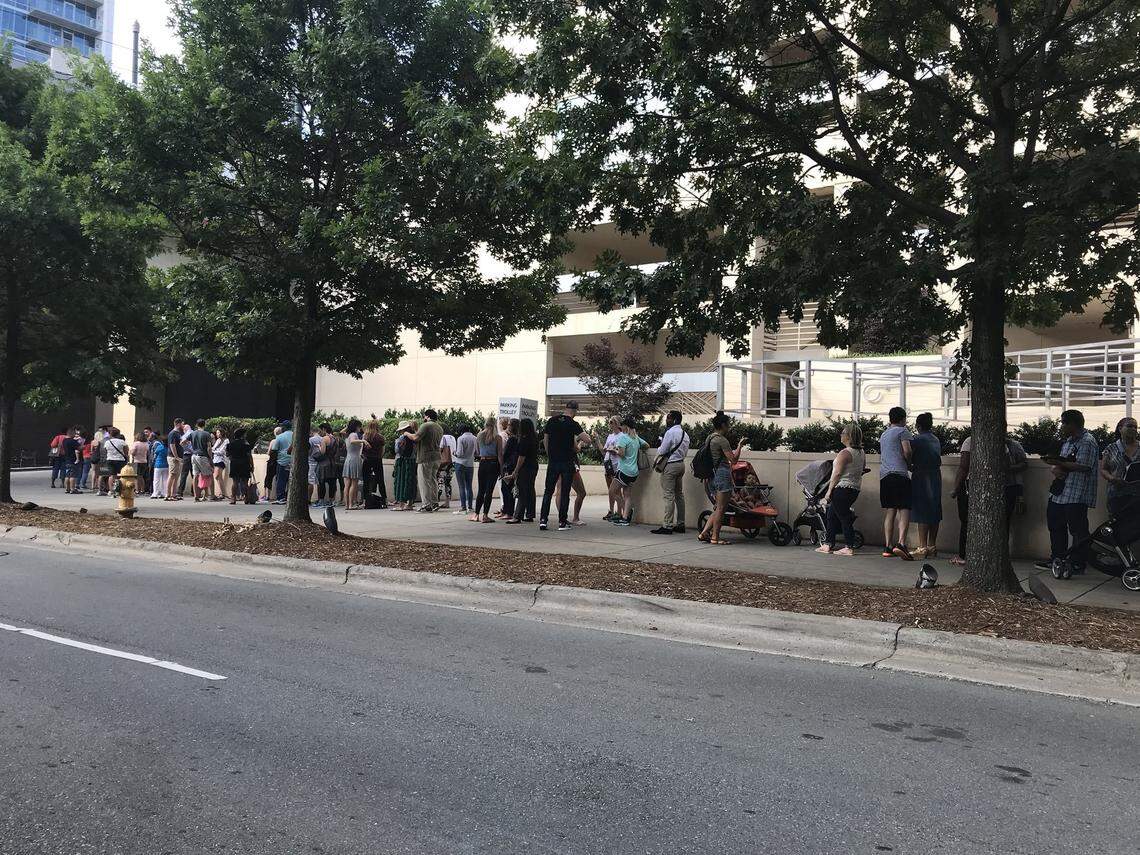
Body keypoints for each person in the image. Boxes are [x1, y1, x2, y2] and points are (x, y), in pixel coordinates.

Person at [950, 430, 1028, 566]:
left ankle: (965, 554)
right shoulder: (1002, 445)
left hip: (974, 485)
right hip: (998, 486)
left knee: (967, 521)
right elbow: (1007, 466)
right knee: (999, 522)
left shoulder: (970, 441)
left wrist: (956, 488)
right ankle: (996, 556)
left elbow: (964, 467)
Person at [1039, 409, 1099, 574]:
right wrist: (1054, 465)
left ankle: (1078, 563)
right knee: (1055, 526)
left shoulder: (1087, 441)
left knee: (1078, 530)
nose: (1062, 426)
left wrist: (1060, 464)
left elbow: (1084, 465)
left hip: (1077, 494)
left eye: (1063, 423)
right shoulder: (1068, 441)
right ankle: (1058, 559)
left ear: (1072, 424)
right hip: (1060, 492)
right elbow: (1062, 461)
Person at [539, 401, 591, 531]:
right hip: (567, 462)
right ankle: (562, 522)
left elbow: (545, 439)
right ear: (575, 411)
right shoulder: (573, 424)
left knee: (548, 491)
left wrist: (550, 454)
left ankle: (543, 521)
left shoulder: (552, 421)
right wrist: (579, 440)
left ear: (565, 408)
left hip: (553, 461)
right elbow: (587, 440)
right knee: (564, 493)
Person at [816, 423, 866, 556]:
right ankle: (828, 544)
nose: (841, 435)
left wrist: (828, 492)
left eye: (843, 433)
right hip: (854, 489)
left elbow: (836, 474)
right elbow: (862, 469)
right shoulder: (861, 453)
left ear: (849, 436)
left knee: (844, 517)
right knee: (831, 516)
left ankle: (849, 547)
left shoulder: (845, 453)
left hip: (842, 489)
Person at [697, 412, 746, 544]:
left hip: (711, 476)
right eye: (728, 424)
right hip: (722, 475)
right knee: (721, 508)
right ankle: (715, 537)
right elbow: (733, 460)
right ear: (723, 425)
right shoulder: (722, 440)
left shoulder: (710, 438)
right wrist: (740, 446)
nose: (729, 427)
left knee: (718, 507)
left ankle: (704, 533)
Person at [879, 406, 914, 560]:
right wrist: (909, 464)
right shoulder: (902, 431)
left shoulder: (884, 434)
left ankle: (888, 546)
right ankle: (901, 543)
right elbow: (907, 451)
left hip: (885, 476)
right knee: (904, 508)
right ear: (902, 419)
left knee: (890, 510)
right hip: (900, 474)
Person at [650, 411, 690, 535]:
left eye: (668, 418)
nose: (666, 420)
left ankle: (667, 525)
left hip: (671, 466)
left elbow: (662, 450)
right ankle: (681, 524)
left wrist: (659, 445)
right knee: (679, 495)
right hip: (681, 465)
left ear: (674, 420)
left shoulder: (670, 432)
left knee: (669, 496)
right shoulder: (685, 434)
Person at [909, 413, 942, 558]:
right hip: (936, 475)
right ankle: (932, 545)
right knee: (934, 510)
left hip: (921, 475)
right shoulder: (936, 439)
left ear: (918, 426)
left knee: (922, 511)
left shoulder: (917, 439)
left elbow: (908, 454)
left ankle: (922, 546)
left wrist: (909, 465)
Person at [607, 417, 649, 526]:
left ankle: (628, 510)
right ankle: (625, 518)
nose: (621, 427)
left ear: (626, 426)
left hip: (624, 470)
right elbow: (646, 445)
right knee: (627, 494)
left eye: (622, 425)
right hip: (634, 472)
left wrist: (613, 450)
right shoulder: (636, 438)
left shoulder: (623, 438)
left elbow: (621, 454)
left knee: (612, 491)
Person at [1100, 416, 1139, 517]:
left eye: (1135, 427)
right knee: (1118, 523)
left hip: (1137, 494)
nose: (1133, 429)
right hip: (1117, 495)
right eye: (1130, 426)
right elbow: (1104, 469)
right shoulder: (1110, 448)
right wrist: (1112, 479)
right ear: (1120, 428)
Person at [505, 418, 539, 524]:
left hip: (525, 467)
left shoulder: (524, 440)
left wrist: (516, 471)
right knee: (530, 490)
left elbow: (521, 457)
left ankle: (517, 516)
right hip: (533, 466)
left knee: (522, 491)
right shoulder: (534, 438)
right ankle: (530, 514)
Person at [472, 416, 504, 523]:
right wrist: (501, 469)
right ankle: (485, 515)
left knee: (481, 490)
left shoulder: (480, 435)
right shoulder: (498, 437)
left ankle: (476, 515)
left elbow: (477, 451)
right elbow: (500, 454)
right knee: (489, 491)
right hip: (493, 463)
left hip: (483, 463)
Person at [411, 409, 444, 513]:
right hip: (437, 457)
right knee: (433, 480)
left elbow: (416, 438)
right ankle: (434, 503)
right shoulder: (439, 427)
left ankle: (426, 504)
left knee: (424, 481)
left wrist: (406, 433)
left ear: (428, 416)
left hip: (425, 457)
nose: (423, 418)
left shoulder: (425, 425)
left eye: (424, 416)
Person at [600, 416, 623, 520]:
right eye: (609, 422)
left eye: (611, 422)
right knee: (610, 489)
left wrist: (612, 449)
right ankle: (611, 510)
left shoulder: (622, 436)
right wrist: (598, 441)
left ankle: (619, 512)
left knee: (616, 490)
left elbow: (619, 450)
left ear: (617, 423)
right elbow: (604, 449)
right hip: (607, 462)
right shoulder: (610, 436)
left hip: (616, 463)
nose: (610, 424)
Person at [392, 420, 418, 510]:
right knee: (410, 482)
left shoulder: (401, 438)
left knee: (401, 482)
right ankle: (409, 504)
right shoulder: (414, 437)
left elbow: (397, 450)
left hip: (402, 462)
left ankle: (401, 505)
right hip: (412, 461)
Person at [362, 419, 387, 508]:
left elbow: (362, 450)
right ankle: (384, 500)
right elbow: (383, 450)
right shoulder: (380, 437)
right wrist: (379, 456)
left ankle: (365, 501)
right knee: (380, 480)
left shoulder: (365, 437)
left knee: (366, 481)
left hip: (367, 460)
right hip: (377, 459)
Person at [187, 419, 214, 502]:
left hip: (194, 456)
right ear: (204, 425)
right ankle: (212, 495)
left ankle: (196, 496)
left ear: (196, 425)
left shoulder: (192, 433)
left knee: (195, 476)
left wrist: (191, 450)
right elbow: (209, 447)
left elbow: (182, 442)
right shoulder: (206, 434)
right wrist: (210, 458)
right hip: (203, 456)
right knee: (209, 475)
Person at [452, 425, 477, 515]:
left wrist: (454, 453)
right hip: (470, 464)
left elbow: (460, 453)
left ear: (461, 431)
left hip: (460, 464)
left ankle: (463, 507)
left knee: (461, 486)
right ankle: (470, 507)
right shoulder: (475, 438)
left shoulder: (460, 438)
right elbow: (477, 452)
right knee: (469, 486)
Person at [343, 418, 366, 510]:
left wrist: (347, 426)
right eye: (360, 426)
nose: (361, 428)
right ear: (357, 427)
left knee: (347, 484)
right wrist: (363, 441)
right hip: (354, 460)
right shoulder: (354, 434)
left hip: (348, 459)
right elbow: (353, 441)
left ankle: (347, 505)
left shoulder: (347, 435)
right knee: (354, 483)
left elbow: (342, 432)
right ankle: (351, 504)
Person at [226, 428, 253, 504]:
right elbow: (249, 456)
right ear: (242, 435)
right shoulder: (246, 444)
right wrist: (252, 465)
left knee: (235, 482)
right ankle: (246, 498)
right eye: (245, 434)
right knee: (245, 482)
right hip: (245, 464)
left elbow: (227, 454)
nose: (246, 435)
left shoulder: (230, 444)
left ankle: (233, 498)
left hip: (234, 463)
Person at [499, 419, 520, 519]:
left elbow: (506, 453)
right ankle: (506, 511)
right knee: (507, 489)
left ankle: (508, 512)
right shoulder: (518, 438)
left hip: (508, 466)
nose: (508, 426)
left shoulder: (512, 439)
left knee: (506, 489)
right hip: (513, 465)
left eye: (509, 425)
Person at [270, 421, 293, 504]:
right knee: (292, 481)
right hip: (294, 462)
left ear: (284, 427)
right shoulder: (295, 435)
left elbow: (273, 450)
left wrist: (273, 460)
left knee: (281, 480)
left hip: (282, 461)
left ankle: (281, 498)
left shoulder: (280, 437)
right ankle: (290, 497)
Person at [102, 428, 130, 494]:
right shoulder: (122, 442)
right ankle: (120, 489)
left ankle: (111, 490)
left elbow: (105, 451)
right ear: (118, 434)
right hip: (120, 460)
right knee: (121, 475)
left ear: (110, 434)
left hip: (110, 459)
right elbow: (126, 452)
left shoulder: (107, 442)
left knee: (111, 475)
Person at [165, 418, 185, 502]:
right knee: (172, 475)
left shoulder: (178, 433)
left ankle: (173, 494)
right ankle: (168, 494)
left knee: (176, 476)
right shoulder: (173, 433)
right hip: (173, 458)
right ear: (178, 424)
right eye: (182, 424)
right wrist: (176, 456)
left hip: (178, 458)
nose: (183, 426)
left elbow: (178, 444)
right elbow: (172, 445)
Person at [60, 427, 84, 495]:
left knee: (67, 475)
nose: (75, 434)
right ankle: (72, 489)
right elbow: (80, 448)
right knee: (73, 475)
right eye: (74, 433)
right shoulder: (72, 441)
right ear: (71, 433)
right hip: (73, 460)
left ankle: (67, 489)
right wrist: (82, 443)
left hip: (67, 459)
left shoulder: (64, 440)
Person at [307, 426, 326, 505]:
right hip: (320, 462)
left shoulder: (310, 440)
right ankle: (319, 499)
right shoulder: (322, 439)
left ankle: (309, 499)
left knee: (310, 482)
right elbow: (323, 452)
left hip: (311, 461)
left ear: (312, 432)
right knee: (319, 482)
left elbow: (308, 451)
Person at [263, 425, 282, 503]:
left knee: (269, 478)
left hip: (272, 462)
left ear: (275, 433)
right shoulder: (283, 440)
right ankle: (279, 495)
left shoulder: (273, 441)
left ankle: (267, 495)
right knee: (280, 479)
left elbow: (269, 452)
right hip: (280, 461)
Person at [438, 431, 456, 509]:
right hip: (453, 462)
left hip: (444, 463)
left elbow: (440, 449)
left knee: (440, 481)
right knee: (448, 482)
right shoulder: (453, 438)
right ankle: (447, 502)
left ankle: (436, 501)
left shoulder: (443, 437)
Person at [211, 428, 229, 501]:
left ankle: (223, 494)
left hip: (221, 460)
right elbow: (213, 448)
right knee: (216, 476)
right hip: (215, 459)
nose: (217, 434)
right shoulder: (218, 440)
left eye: (218, 432)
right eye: (216, 433)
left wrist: (214, 451)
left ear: (222, 433)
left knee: (218, 476)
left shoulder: (226, 440)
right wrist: (214, 450)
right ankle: (223, 493)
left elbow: (222, 452)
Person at [151, 433, 170, 499]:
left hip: (158, 465)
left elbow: (155, 455)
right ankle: (164, 493)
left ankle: (155, 493)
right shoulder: (169, 448)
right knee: (165, 480)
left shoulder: (159, 447)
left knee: (156, 480)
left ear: (162, 441)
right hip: (166, 465)